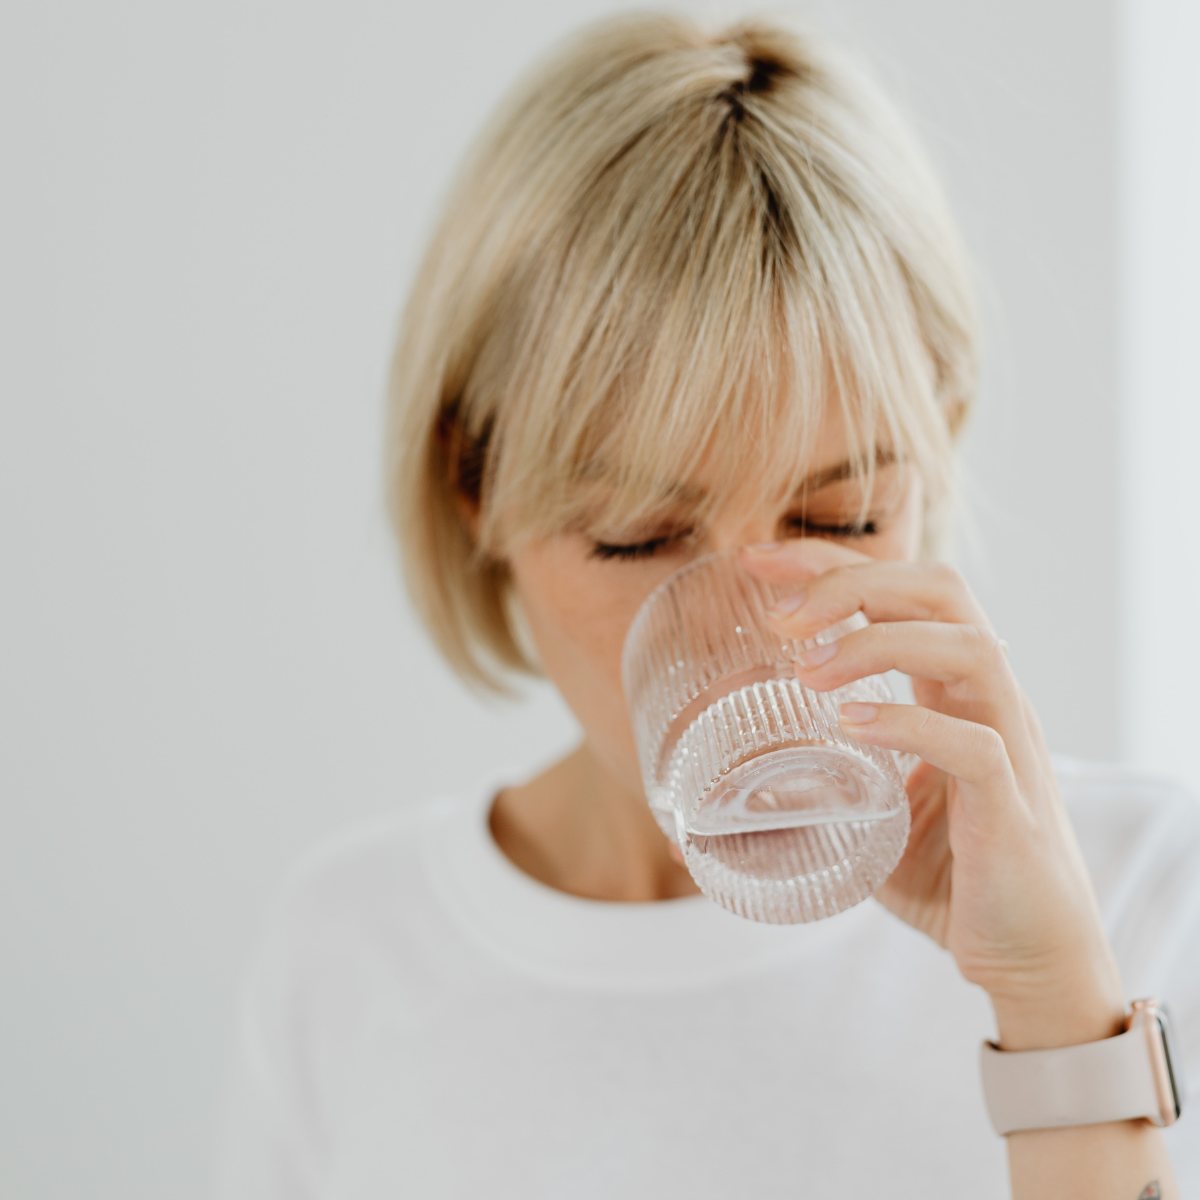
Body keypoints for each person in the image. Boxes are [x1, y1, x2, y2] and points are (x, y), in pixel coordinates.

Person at [214, 14, 1198, 1199]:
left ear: (934, 451)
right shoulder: (351, 953)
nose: (766, 632)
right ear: (474, 487)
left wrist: (1055, 1012)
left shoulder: (1144, 893)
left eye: (840, 519)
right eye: (641, 533)